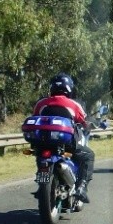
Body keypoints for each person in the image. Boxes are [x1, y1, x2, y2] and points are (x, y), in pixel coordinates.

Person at [32, 73, 95, 204]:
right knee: (89, 155)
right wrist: (91, 125)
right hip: (66, 144)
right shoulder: (73, 104)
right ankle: (81, 188)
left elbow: (34, 118)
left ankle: (41, 185)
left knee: (40, 155)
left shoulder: (41, 103)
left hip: (43, 143)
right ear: (69, 88)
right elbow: (85, 122)